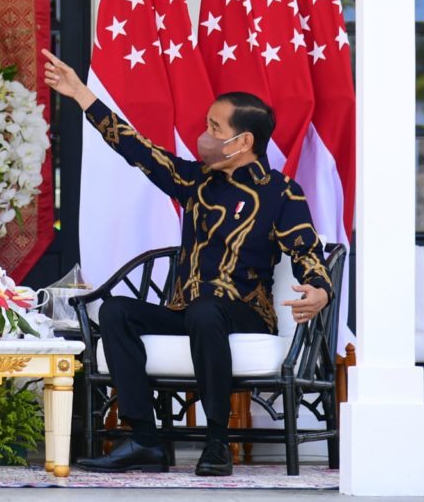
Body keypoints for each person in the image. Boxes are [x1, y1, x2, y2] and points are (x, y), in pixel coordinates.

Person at [42, 50, 333, 477]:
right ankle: (145, 439)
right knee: (117, 311)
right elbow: (137, 149)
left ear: (243, 141)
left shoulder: (280, 192)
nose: (204, 135)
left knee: (206, 310)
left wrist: (320, 289)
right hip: (190, 311)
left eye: (215, 128)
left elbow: (306, 249)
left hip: (244, 312)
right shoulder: (196, 180)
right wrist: (82, 95)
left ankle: (217, 442)